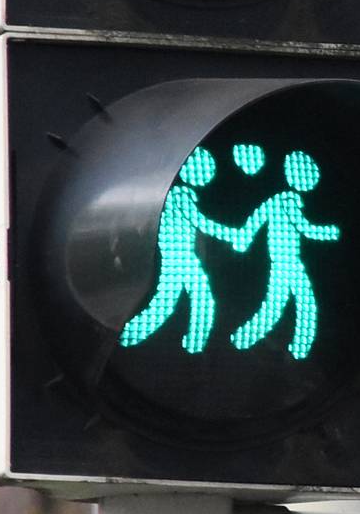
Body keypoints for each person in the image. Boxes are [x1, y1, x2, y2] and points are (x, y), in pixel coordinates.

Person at [117, 147, 253, 354]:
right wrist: (231, 234)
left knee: (192, 299)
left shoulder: (181, 195)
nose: (208, 174)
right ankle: (131, 335)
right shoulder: (180, 196)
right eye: (205, 169)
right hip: (178, 258)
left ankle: (192, 343)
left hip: (184, 257)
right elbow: (202, 222)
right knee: (175, 302)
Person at [229, 149, 342, 360]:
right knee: (299, 304)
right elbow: (304, 228)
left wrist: (244, 238)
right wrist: (328, 232)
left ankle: (248, 338)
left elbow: (256, 218)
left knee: (282, 305)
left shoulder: (277, 200)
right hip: (287, 263)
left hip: (285, 263)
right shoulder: (288, 201)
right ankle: (293, 346)